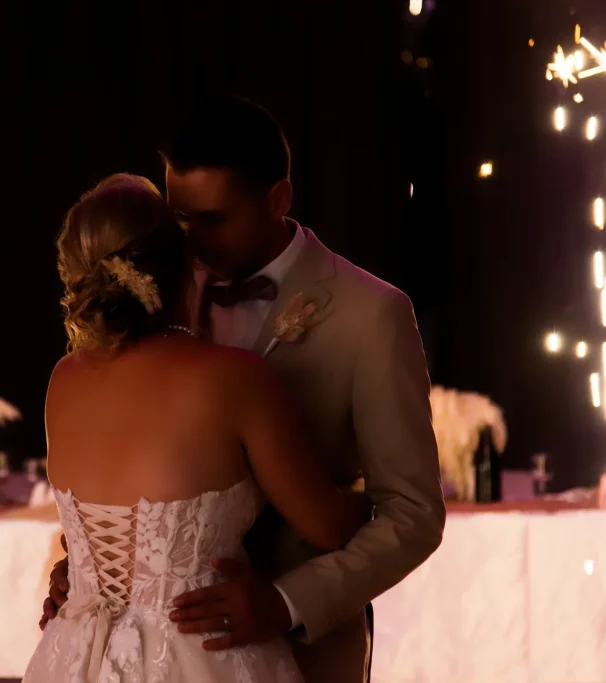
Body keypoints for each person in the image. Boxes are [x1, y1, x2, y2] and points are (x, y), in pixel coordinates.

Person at [40, 97, 446, 683]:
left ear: (279, 199)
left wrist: (286, 602)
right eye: (178, 219)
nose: (191, 241)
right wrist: (91, 572)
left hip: (302, 655)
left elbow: (412, 515)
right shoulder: (144, 302)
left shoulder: (372, 316)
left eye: (213, 219)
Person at [23, 174, 371, 683]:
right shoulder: (234, 378)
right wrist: (373, 492)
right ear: (187, 264)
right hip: (202, 654)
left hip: (74, 658)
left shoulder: (64, 378)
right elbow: (330, 526)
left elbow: (89, 541)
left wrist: (76, 577)